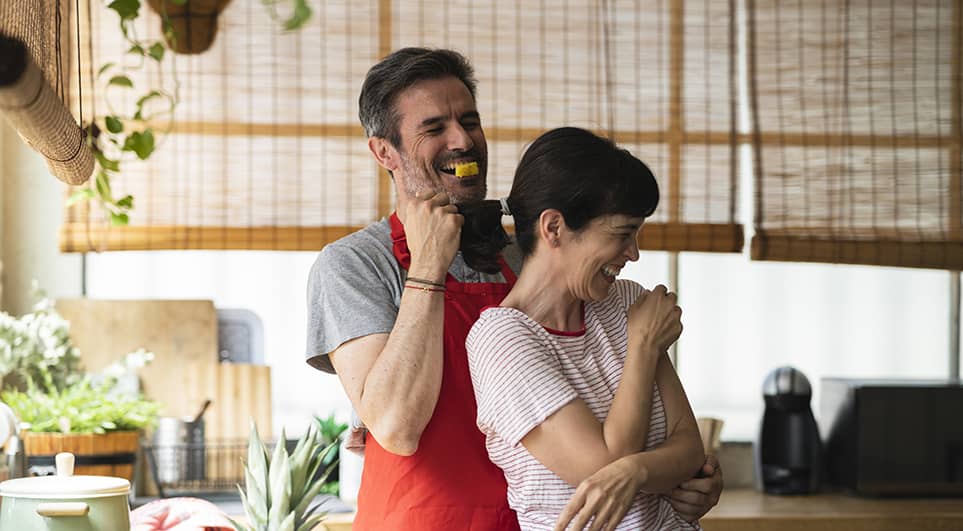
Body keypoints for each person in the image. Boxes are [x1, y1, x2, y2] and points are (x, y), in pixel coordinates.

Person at [305, 47, 722, 531]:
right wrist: (429, 266)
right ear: (384, 151)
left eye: (470, 120)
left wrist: (681, 479)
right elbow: (396, 426)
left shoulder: (538, 257)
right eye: (435, 127)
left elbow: (615, 404)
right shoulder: (354, 265)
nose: (463, 140)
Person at [463, 127, 704, 530]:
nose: (634, 253)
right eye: (623, 234)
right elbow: (602, 469)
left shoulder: (627, 302)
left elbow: (689, 447)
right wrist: (643, 347)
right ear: (554, 227)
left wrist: (638, 472)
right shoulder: (501, 341)